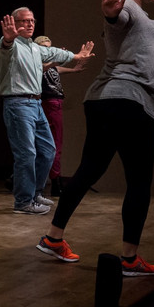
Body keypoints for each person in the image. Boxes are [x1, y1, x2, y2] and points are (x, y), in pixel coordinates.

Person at [36, 0, 154, 275]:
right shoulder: (126, 8)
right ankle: (129, 258)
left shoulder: (144, 19)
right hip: (128, 103)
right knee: (139, 182)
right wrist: (110, 12)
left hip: (103, 101)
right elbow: (117, 17)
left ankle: (54, 237)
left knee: (88, 171)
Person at [0, 7, 94, 214]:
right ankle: (23, 202)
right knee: (26, 153)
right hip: (18, 104)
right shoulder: (12, 45)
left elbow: (54, 52)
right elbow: (5, 47)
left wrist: (76, 56)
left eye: (32, 20)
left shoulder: (34, 48)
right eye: (24, 21)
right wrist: (7, 40)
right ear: (14, 24)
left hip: (35, 103)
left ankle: (35, 193)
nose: (30, 24)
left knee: (48, 150)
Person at [34, 35, 86, 197]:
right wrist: (58, 59)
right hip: (49, 103)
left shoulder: (50, 65)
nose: (49, 50)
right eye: (45, 48)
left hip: (54, 103)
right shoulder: (37, 63)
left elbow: (55, 69)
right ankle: (55, 182)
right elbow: (45, 67)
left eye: (50, 47)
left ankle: (52, 182)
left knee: (53, 144)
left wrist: (73, 69)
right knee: (53, 144)